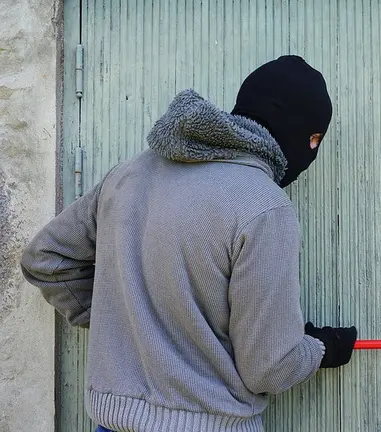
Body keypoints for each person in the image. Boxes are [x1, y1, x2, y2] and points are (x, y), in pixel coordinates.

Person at [20, 55, 357, 432]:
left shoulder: (129, 175)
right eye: (314, 138)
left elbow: (46, 259)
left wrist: (128, 319)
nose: (312, 151)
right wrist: (321, 348)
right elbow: (269, 368)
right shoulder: (264, 206)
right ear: (294, 128)